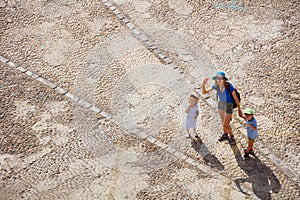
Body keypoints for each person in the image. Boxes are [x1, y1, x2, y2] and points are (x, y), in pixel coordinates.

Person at [202, 71, 243, 145]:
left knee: (225, 124)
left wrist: (239, 110)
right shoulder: (216, 86)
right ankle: (225, 134)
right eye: (217, 79)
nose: (219, 80)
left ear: (224, 79)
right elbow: (204, 92)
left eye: (221, 78)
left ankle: (232, 137)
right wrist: (203, 85)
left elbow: (236, 99)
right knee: (222, 121)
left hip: (229, 106)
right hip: (220, 105)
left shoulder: (229, 87)